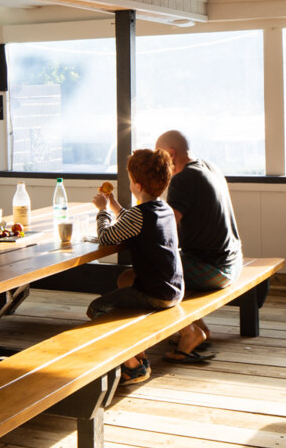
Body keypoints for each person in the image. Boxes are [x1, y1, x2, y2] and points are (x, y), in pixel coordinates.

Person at [87, 148, 183, 384]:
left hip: (154, 293)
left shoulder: (138, 216)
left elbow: (106, 237)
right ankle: (138, 357)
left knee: (97, 309)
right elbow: (132, 220)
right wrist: (115, 205)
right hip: (174, 288)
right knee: (123, 292)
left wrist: (102, 211)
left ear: (138, 186)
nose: (130, 184)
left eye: (130, 181)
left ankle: (132, 366)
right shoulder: (164, 209)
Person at [156, 130, 242, 363]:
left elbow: (166, 228)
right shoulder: (209, 167)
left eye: (160, 156)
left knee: (152, 270)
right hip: (233, 261)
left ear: (171, 154)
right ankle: (193, 326)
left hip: (215, 268)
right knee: (163, 265)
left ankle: (190, 332)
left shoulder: (183, 179)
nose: (159, 164)